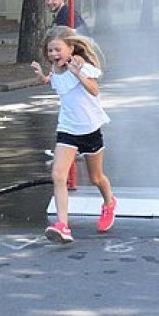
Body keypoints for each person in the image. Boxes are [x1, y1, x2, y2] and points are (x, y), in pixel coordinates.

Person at [31, 26, 116, 242]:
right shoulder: (54, 69)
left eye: (57, 50)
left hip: (90, 129)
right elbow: (53, 81)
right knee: (58, 176)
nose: (53, 55)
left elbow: (94, 91)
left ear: (70, 49)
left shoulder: (82, 67)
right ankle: (62, 226)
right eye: (50, 51)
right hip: (67, 129)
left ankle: (109, 203)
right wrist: (42, 76)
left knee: (96, 177)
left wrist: (78, 74)